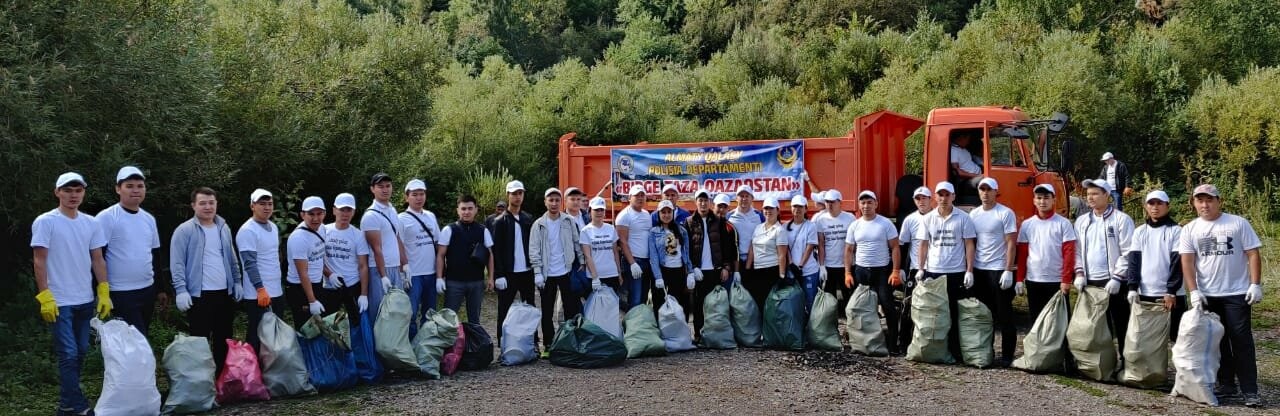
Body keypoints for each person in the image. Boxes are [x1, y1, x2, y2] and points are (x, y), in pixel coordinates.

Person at [1178, 184, 1264, 407]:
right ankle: (1226, 385)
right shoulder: (1190, 229)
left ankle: (1250, 390)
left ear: (1219, 201)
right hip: (1208, 295)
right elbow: (1187, 262)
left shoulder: (1237, 223)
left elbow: (1253, 253)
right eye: (1200, 200)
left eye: (1209, 200)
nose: (1205, 205)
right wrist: (1194, 291)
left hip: (1237, 292)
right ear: (1194, 203)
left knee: (1241, 341)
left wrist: (1255, 284)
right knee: (1217, 341)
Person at [31, 172, 109, 416]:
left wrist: (104, 290)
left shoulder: (91, 223)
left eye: (78, 190)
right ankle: (79, 406)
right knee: (69, 353)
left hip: (85, 298)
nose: (73, 195)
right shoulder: (46, 221)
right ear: (57, 192)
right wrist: (45, 296)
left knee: (81, 351)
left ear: (83, 192)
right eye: (67, 190)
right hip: (59, 300)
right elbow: (39, 260)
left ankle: (66, 406)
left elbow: (98, 258)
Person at [170, 187, 242, 372]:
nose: (208, 207)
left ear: (216, 204)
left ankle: (222, 379)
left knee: (224, 339)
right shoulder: (184, 230)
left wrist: (237, 281)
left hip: (224, 294)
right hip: (199, 295)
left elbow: (232, 257)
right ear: (193, 205)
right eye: (202, 203)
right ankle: (201, 381)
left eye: (211, 203)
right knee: (199, 341)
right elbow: (177, 263)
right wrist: (181, 290)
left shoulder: (223, 227)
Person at [98, 166, 163, 336]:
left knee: (141, 336)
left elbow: (155, 255)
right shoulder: (107, 217)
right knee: (134, 339)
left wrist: (160, 288)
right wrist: (101, 291)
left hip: (147, 289)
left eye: (140, 186)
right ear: (118, 189)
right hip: (120, 292)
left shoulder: (149, 219)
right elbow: (97, 256)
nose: (136, 190)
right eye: (129, 186)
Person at [1074, 178, 1135, 357]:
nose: (1090, 197)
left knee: (1121, 322)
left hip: (1114, 282)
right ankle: (1105, 362)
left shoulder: (1121, 219)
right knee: (1098, 325)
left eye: (1095, 194)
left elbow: (1128, 251)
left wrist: (1117, 277)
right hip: (1091, 281)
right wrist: (1079, 273)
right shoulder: (1082, 221)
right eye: (1088, 194)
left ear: (1107, 195)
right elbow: (1077, 250)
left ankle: (1126, 360)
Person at [916, 182, 977, 358]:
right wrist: (921, 268)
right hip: (934, 270)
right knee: (935, 312)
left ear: (953, 197)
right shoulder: (928, 218)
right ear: (935, 197)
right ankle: (936, 350)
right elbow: (923, 244)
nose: (943, 198)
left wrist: (969, 270)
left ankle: (955, 351)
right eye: (940, 195)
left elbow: (969, 244)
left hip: (956, 271)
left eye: (947, 195)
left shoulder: (963, 218)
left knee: (954, 312)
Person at [967, 178, 1019, 365]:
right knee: (983, 315)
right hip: (980, 270)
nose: (985, 193)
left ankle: (1007, 356)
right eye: (982, 190)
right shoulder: (974, 214)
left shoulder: (1005, 213)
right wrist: (969, 270)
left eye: (989, 190)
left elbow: (1011, 243)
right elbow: (971, 243)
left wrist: (1008, 270)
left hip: (998, 270)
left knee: (1004, 314)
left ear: (996, 191)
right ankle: (985, 353)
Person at [843, 191, 902, 354]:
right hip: (861, 271)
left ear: (876, 204)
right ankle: (860, 343)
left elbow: (895, 247)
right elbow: (849, 250)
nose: (866, 206)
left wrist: (895, 271)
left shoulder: (885, 224)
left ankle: (893, 345)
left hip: (882, 271)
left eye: (869, 202)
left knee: (888, 307)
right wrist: (847, 273)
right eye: (862, 203)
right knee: (858, 307)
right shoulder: (855, 225)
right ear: (859, 205)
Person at [1124, 190, 1185, 342]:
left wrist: (1171, 291)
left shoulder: (1177, 231)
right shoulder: (1139, 232)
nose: (1155, 207)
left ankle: (1177, 359)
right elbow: (1134, 261)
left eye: (1159, 203)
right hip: (1145, 292)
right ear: (1146, 206)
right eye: (1151, 203)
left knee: (1176, 337)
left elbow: (1177, 263)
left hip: (1171, 294)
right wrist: (1132, 287)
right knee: (1148, 337)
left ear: (1167, 206)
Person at [531, 187, 586, 349]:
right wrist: (537, 272)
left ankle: (569, 342)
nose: (554, 203)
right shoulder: (538, 225)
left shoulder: (568, 221)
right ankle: (548, 344)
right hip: (547, 274)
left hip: (565, 272)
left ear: (561, 202)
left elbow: (576, 242)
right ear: (545, 202)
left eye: (557, 200)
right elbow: (534, 250)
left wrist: (582, 260)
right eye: (551, 200)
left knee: (570, 310)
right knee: (547, 311)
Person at [1015, 184, 1077, 319]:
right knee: (1037, 320)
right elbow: (1023, 254)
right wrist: (1019, 279)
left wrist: (1066, 280)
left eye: (1046, 198)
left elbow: (1069, 254)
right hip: (1034, 279)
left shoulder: (1063, 223)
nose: (1042, 201)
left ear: (1053, 200)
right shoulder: (1027, 224)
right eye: (1039, 198)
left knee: (1059, 320)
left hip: (1056, 280)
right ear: (1034, 200)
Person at [435, 195, 496, 326]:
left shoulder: (483, 230)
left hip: (476, 282)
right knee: (448, 320)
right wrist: (439, 278)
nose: (466, 212)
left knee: (475, 320)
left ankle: (473, 340)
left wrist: (491, 278)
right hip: (454, 282)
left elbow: (490, 255)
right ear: (457, 210)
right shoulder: (449, 230)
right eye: (463, 209)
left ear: (476, 210)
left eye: (470, 208)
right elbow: (440, 255)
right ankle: (448, 340)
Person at [236, 188, 283, 351]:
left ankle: (272, 366)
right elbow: (250, 263)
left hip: (276, 290)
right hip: (258, 294)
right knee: (257, 335)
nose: (267, 207)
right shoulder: (248, 230)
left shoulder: (273, 227)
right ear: (252, 206)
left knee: (274, 335)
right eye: (262, 204)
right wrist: (260, 289)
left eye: (270, 204)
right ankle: (251, 366)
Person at [490, 180, 536, 347]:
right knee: (504, 309)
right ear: (508, 195)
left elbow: (533, 244)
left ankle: (532, 343)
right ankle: (502, 343)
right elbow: (496, 250)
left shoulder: (527, 219)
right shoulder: (499, 221)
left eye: (520, 193)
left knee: (530, 308)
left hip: (527, 272)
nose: (517, 197)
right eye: (514, 194)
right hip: (508, 273)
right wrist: (498, 274)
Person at [686, 189, 737, 338]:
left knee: (716, 305)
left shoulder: (719, 221)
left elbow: (726, 247)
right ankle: (698, 335)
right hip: (699, 272)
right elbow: (687, 249)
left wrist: (726, 267)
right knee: (698, 304)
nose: (703, 203)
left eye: (705, 200)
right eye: (700, 200)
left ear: (710, 203)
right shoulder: (689, 222)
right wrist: (692, 269)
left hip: (715, 270)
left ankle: (715, 335)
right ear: (696, 202)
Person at [361, 172, 409, 320]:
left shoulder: (392, 210)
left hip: (394, 267)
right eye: (380, 186)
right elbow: (376, 248)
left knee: (396, 312)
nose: (385, 189)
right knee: (380, 312)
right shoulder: (371, 216)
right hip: (379, 269)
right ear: (372, 189)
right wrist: (383, 276)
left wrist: (405, 264)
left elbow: (396, 238)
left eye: (388, 186)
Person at [400, 179, 442, 335]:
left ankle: (426, 343)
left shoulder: (430, 216)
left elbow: (438, 244)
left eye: (422, 194)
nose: (419, 198)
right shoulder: (401, 219)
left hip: (431, 273)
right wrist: (403, 271)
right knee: (410, 314)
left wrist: (441, 274)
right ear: (407, 197)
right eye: (414, 194)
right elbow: (398, 247)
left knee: (430, 314)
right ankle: (410, 344)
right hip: (413, 275)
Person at [285, 196, 333, 329]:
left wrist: (329, 274)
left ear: (324, 213)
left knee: (320, 326)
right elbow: (302, 273)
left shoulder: (322, 229)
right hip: (299, 288)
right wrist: (312, 301)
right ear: (302, 215)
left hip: (317, 283)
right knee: (305, 328)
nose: (315, 218)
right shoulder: (299, 238)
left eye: (319, 213)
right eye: (311, 214)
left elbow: (317, 257)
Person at [895, 186, 933, 352]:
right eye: (918, 199)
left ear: (930, 199)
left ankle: (929, 344)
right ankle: (903, 343)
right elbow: (903, 245)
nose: (921, 201)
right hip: (915, 269)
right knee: (908, 306)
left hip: (934, 268)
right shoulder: (910, 220)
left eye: (924, 198)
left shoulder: (937, 217)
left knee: (931, 308)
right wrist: (901, 268)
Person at [324, 193, 371, 325]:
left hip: (352, 285)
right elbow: (316, 260)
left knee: (355, 322)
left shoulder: (358, 235)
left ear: (353, 212)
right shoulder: (324, 231)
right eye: (341, 210)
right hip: (330, 285)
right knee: (330, 323)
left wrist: (364, 294)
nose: (345, 214)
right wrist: (329, 274)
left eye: (348, 210)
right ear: (334, 210)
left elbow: (363, 265)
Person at [648, 200, 694, 314]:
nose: (666, 215)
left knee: (680, 305)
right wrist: (658, 277)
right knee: (659, 305)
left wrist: (690, 272)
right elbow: (653, 257)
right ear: (658, 214)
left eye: (669, 212)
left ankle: (680, 326)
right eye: (663, 212)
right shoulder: (653, 232)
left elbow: (686, 253)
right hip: (662, 271)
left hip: (679, 272)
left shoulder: (682, 230)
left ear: (673, 213)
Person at [744, 197, 789, 316]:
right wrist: (747, 269)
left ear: (777, 211)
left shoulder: (779, 230)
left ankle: (770, 328)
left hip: (772, 271)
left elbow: (782, 255)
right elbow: (752, 250)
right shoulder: (758, 228)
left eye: (771, 209)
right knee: (759, 304)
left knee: (771, 306)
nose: (768, 211)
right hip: (757, 271)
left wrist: (782, 276)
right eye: (766, 208)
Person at [815, 189, 855, 312]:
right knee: (830, 300)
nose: (829, 205)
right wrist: (822, 266)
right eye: (827, 202)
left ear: (840, 202)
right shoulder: (821, 220)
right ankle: (831, 322)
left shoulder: (850, 218)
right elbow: (821, 244)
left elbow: (855, 243)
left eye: (833, 202)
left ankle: (851, 321)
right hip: (829, 265)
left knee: (849, 297)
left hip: (846, 266)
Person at [617, 185, 655, 309]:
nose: (640, 198)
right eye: (636, 195)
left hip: (647, 262)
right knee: (635, 299)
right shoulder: (624, 216)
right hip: (634, 261)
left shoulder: (646, 214)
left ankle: (640, 321)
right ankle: (632, 321)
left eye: (642, 195)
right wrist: (632, 263)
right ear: (629, 198)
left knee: (643, 298)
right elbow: (622, 241)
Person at [581, 197, 623, 293]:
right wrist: (595, 277)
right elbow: (587, 256)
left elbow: (615, 252)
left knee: (612, 301)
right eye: (596, 210)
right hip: (595, 276)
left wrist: (619, 273)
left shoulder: (611, 228)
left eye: (601, 210)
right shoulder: (585, 231)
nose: (599, 213)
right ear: (590, 211)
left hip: (612, 274)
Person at [785, 196, 821, 308]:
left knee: (810, 301)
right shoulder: (785, 226)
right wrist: (791, 264)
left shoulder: (811, 226)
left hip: (809, 270)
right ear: (791, 208)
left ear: (806, 209)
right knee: (794, 303)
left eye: (800, 206)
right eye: (795, 206)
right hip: (792, 271)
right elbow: (785, 247)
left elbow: (809, 248)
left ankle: (810, 319)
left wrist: (800, 266)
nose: (797, 209)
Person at [713, 194, 741, 289]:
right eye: (719, 206)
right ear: (713, 206)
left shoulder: (731, 228)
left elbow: (735, 251)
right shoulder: (706, 225)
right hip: (707, 271)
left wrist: (736, 271)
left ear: (728, 209)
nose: (721, 209)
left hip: (726, 273)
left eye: (724, 207)